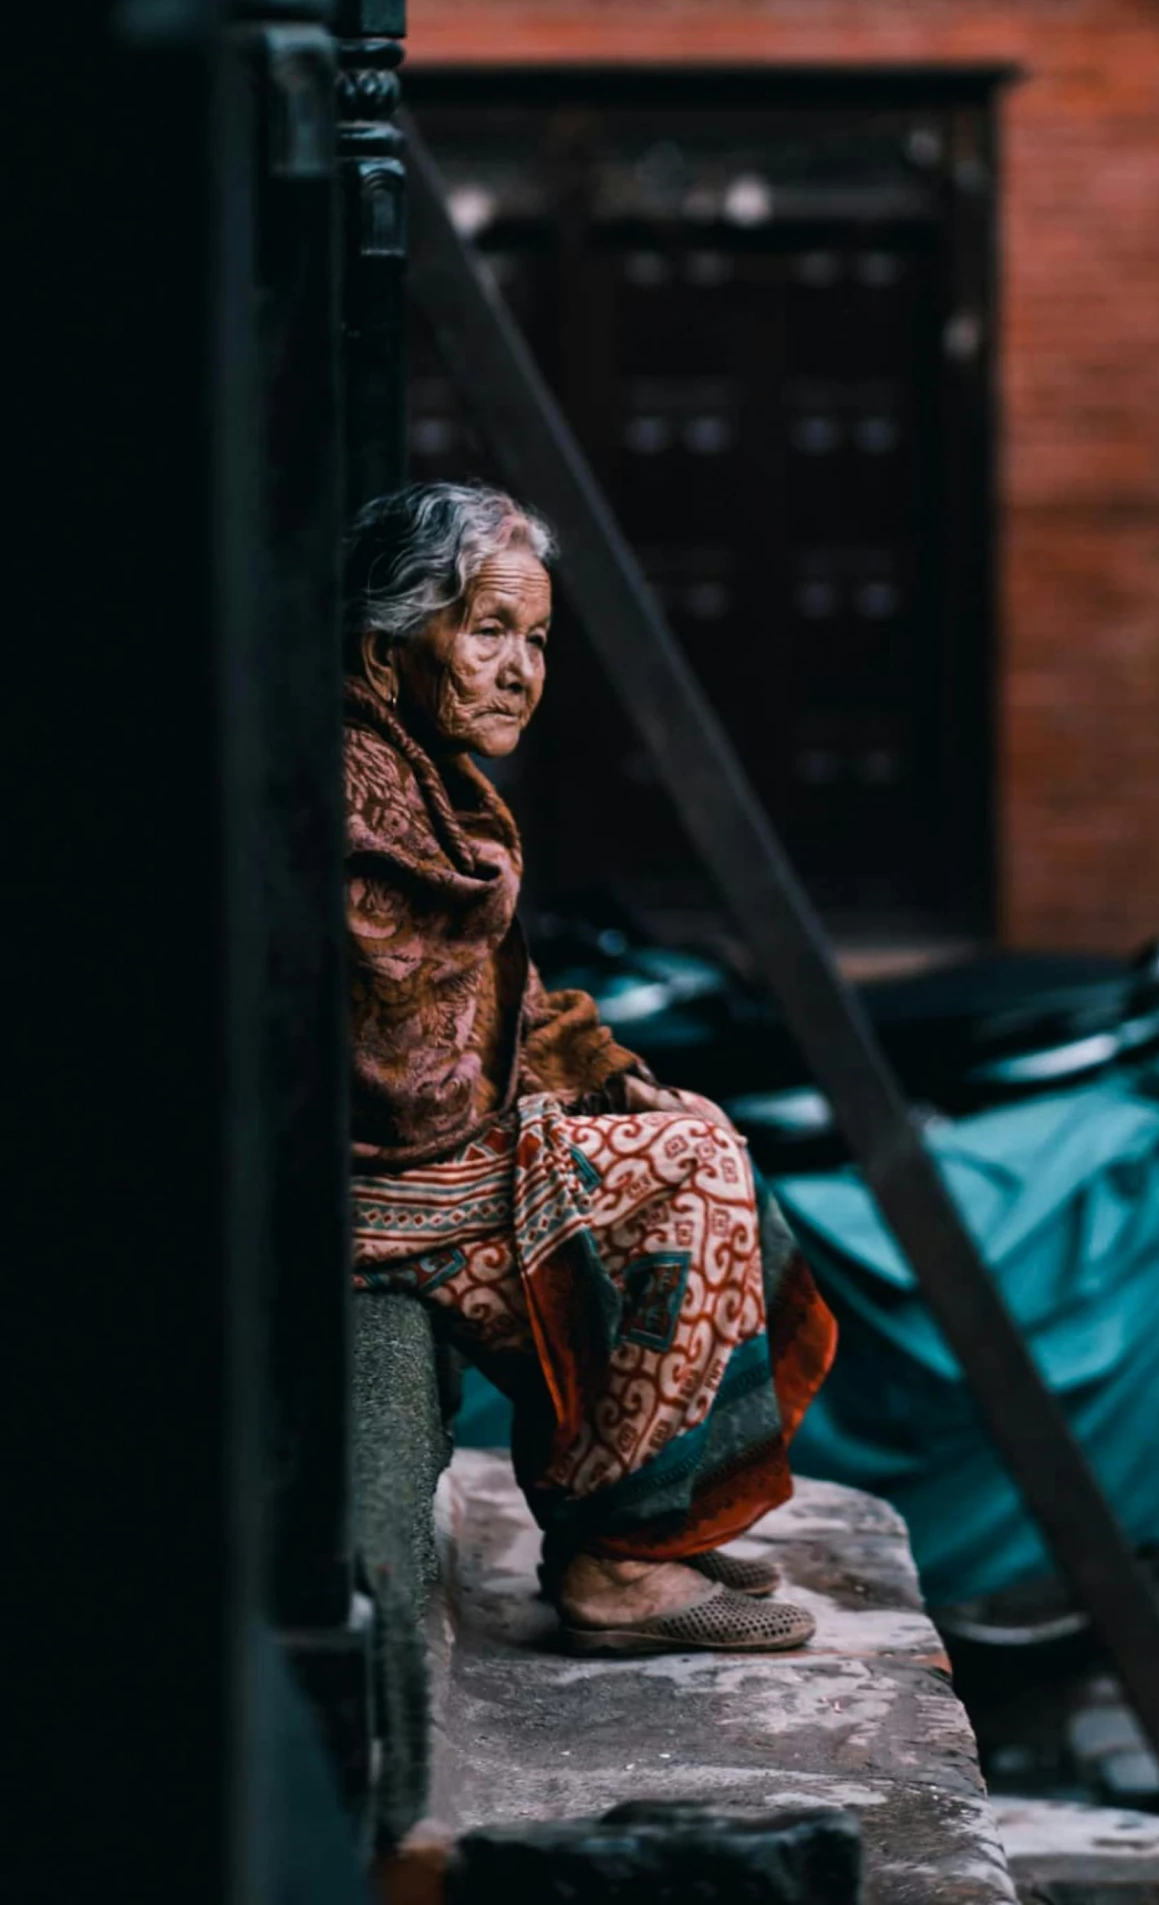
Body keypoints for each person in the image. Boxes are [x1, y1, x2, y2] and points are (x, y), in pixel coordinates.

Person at [344, 479, 836, 1654]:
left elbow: (489, 994)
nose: (521, 669)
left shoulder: (422, 767)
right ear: (391, 641)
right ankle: (616, 1562)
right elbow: (411, 1079)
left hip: (426, 1157)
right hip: (376, 1182)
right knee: (689, 1169)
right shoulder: (355, 784)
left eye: (537, 639)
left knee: (690, 1132)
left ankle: (646, 1521)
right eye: (487, 631)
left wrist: (597, 1069)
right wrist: (556, 1131)